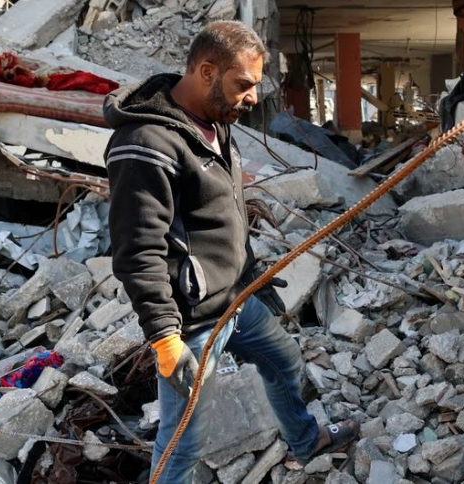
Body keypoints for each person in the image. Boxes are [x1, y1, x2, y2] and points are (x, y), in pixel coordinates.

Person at [103, 20, 359, 482]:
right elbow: (136, 250)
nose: (253, 98)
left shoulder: (215, 123)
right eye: (244, 84)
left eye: (255, 86)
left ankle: (304, 440)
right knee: (184, 442)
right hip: (193, 323)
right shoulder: (145, 144)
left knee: (284, 360)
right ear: (206, 71)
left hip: (237, 300)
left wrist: (252, 276)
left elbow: (221, 219)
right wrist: (164, 337)